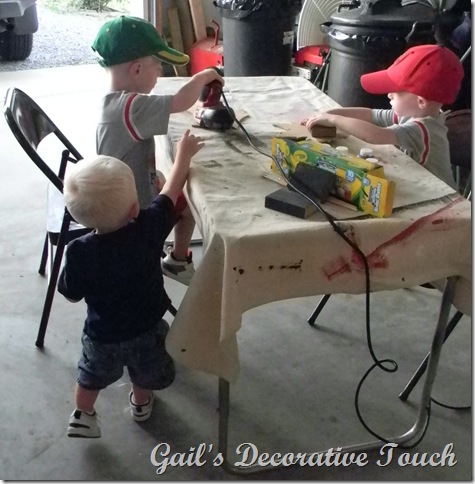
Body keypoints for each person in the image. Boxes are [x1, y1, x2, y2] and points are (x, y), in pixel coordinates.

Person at [58, 130, 204, 438]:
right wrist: (184, 154)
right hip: (146, 328)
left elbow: (71, 294)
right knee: (143, 372)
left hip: (102, 335)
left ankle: (83, 414)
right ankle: (140, 403)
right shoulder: (148, 227)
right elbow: (172, 189)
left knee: (91, 375)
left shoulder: (79, 251)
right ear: (134, 208)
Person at [91, 15, 223, 285]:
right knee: (189, 197)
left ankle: (177, 259)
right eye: (158, 65)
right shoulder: (132, 108)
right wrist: (203, 76)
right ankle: (177, 260)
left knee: (179, 194)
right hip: (131, 213)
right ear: (137, 70)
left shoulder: (114, 102)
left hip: (120, 194)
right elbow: (180, 101)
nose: (160, 72)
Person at [302, 44, 464, 189]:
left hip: (440, 196)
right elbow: (369, 114)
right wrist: (328, 114)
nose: (389, 95)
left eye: (395, 91)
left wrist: (333, 120)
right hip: (421, 183)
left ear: (421, 101)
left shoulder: (424, 129)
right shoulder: (413, 113)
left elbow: (375, 135)